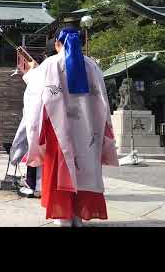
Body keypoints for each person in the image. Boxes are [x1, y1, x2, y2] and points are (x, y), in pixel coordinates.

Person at [22, 26, 118, 227]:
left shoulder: (50, 64)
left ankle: (62, 215)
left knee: (62, 168)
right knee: (85, 168)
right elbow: (103, 102)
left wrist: (31, 72)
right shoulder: (93, 66)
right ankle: (77, 215)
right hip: (89, 129)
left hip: (59, 130)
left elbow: (35, 97)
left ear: (57, 43)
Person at [10, 38, 57, 198]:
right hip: (65, 124)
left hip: (43, 123)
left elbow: (32, 109)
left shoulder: (41, 72)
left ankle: (36, 185)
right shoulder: (77, 66)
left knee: (37, 148)